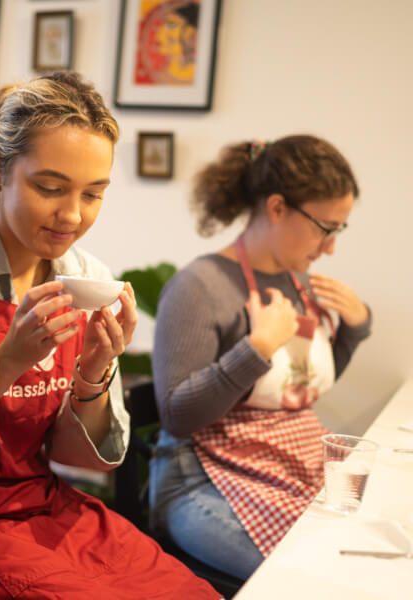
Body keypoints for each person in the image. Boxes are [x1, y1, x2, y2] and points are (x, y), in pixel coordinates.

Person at [0, 71, 220, 599]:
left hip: (46, 505)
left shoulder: (83, 274)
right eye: (51, 188)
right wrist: (8, 359)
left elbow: (81, 459)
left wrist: (92, 373)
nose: (72, 215)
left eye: (93, 194)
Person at [149, 135, 372, 580]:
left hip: (283, 467)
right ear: (276, 208)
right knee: (316, 579)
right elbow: (177, 415)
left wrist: (354, 328)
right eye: (324, 228)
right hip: (200, 480)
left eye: (338, 230)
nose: (330, 248)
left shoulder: (299, 283)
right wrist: (257, 349)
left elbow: (301, 388)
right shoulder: (199, 286)